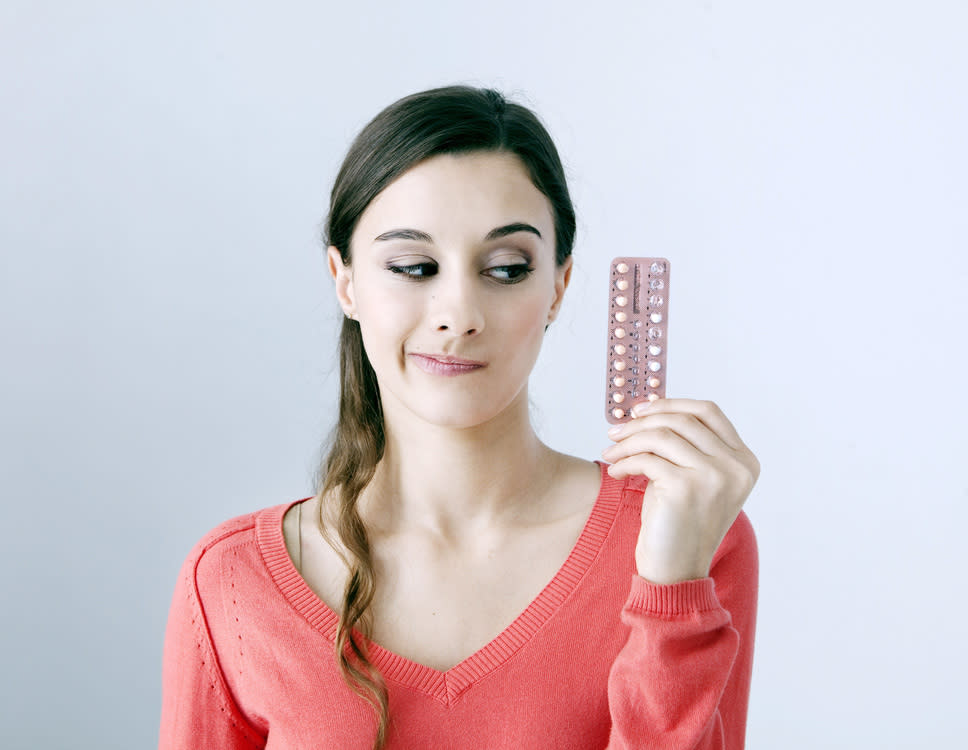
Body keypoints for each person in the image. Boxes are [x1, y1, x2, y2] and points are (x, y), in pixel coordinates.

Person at [158, 84, 761, 750]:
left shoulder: (689, 537)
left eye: (505, 270)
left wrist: (671, 590)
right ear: (345, 281)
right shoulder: (232, 583)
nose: (459, 314)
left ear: (557, 287)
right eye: (414, 267)